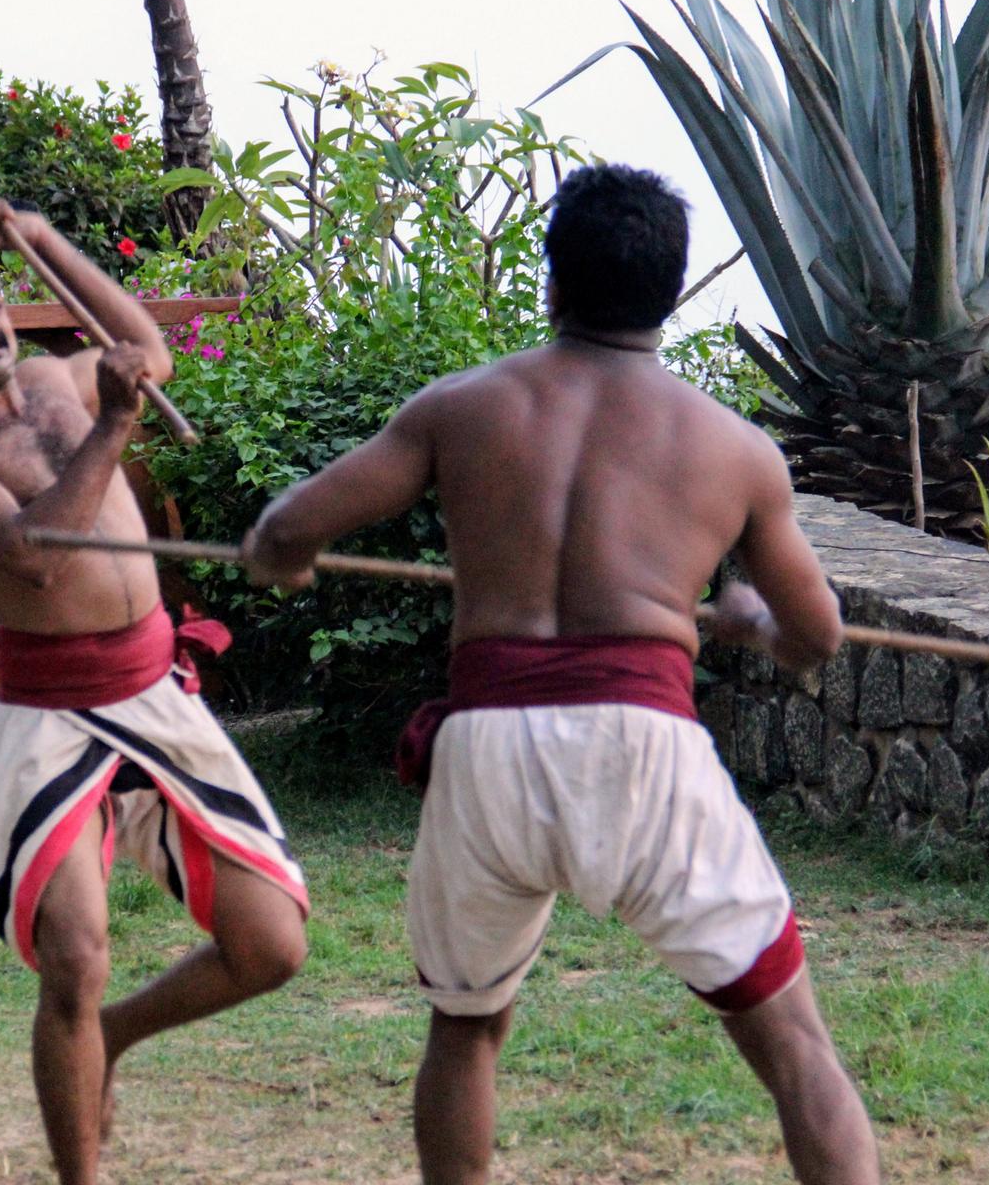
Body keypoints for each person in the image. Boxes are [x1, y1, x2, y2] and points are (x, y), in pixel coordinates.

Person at [245, 164, 880, 1185]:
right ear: (673, 290)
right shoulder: (736, 450)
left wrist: (281, 558)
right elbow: (818, 637)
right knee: (796, 1044)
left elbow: (286, 528)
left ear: (553, 277)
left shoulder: (460, 409)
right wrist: (752, 624)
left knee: (467, 1024)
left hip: (488, 750)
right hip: (646, 744)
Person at [0, 204, 308, 1185]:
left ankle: (112, 1035)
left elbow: (142, 346)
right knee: (76, 955)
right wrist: (119, 420)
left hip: (156, 688)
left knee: (272, 945)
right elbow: (34, 558)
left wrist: (43, 238)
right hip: (47, 715)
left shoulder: (54, 378)